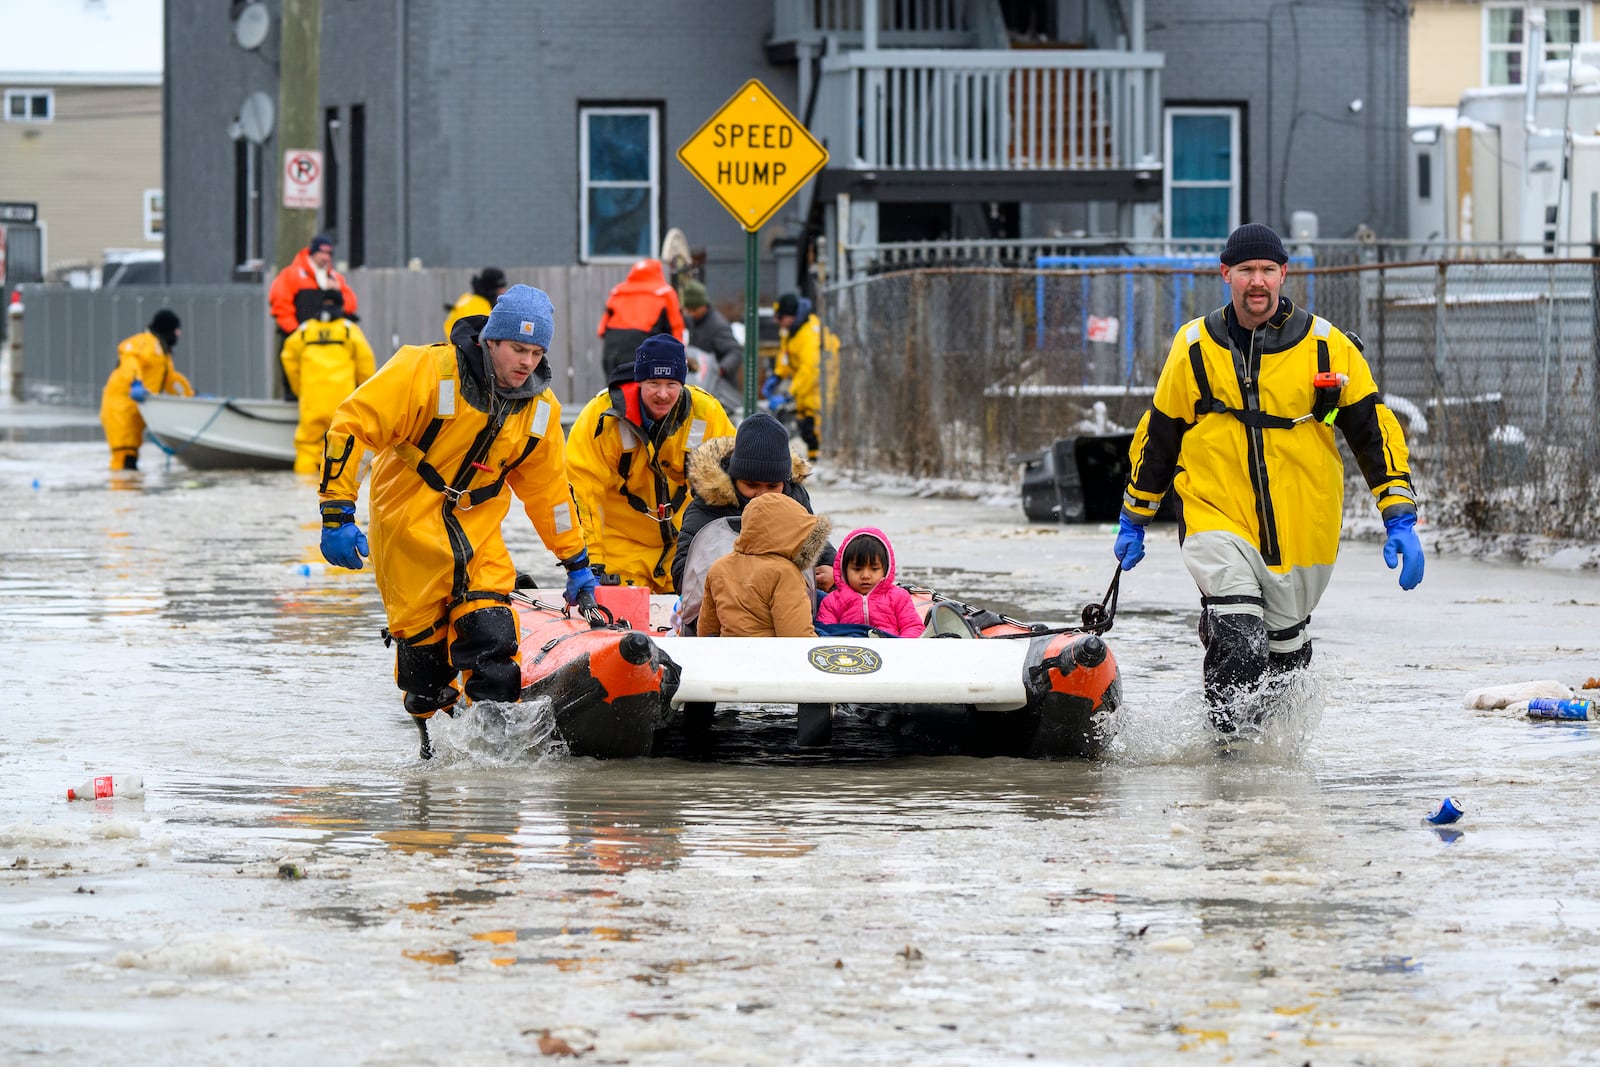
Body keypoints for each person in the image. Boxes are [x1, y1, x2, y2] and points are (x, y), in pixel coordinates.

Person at [1114, 223, 1424, 734]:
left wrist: (1400, 517)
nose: (1255, 282)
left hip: (1303, 526)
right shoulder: (1193, 347)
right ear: (1225, 275)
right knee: (1239, 637)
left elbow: (1375, 434)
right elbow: (1161, 434)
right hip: (1215, 512)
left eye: (1265, 270)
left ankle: (1269, 765)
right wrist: (1134, 514)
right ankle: (1228, 755)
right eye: (1244, 271)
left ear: (1283, 273)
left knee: (1284, 669)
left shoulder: (1328, 346)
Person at [317, 284, 600, 758]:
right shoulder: (423, 370)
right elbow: (351, 424)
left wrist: (575, 561)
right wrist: (335, 511)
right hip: (406, 526)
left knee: (493, 640)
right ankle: (432, 756)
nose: (527, 362)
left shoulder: (540, 412)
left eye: (537, 352)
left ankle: (494, 767)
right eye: (517, 348)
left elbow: (550, 494)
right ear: (490, 340)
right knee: (424, 674)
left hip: (477, 532)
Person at [565, 333, 736, 592]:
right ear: (638, 381)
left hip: (685, 549)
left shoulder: (707, 413)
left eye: (672, 384)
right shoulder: (601, 419)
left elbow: (734, 486)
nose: (663, 394)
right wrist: (592, 563)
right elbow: (584, 492)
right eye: (653, 383)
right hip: (621, 547)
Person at [671, 411, 837, 634]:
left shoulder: (794, 497)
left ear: (784, 481)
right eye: (751, 485)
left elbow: (816, 545)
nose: (762, 495)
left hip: (788, 608)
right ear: (734, 477)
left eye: (772, 486)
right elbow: (683, 573)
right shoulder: (707, 505)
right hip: (729, 617)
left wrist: (833, 570)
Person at [697, 492, 832, 638]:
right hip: (768, 656)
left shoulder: (719, 567)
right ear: (791, 534)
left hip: (731, 654)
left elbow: (707, 630)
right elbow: (796, 637)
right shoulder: (784, 573)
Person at [280, 289, 376, 474]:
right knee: (343, 446)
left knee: (307, 445)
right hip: (342, 402)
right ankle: (337, 490)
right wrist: (365, 394)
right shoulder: (349, 330)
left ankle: (302, 489)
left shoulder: (304, 331)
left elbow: (288, 359)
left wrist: (299, 389)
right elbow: (366, 365)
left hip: (312, 401)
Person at [99, 309, 194, 470]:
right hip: (121, 408)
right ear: (169, 329)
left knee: (131, 456)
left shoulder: (163, 354)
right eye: (177, 330)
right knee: (124, 455)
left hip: (136, 409)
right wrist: (135, 382)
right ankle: (121, 492)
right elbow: (130, 361)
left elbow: (170, 380)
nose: (178, 335)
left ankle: (130, 491)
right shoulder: (144, 342)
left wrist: (190, 395)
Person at [816, 528, 925, 638]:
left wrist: (899, 647)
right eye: (857, 569)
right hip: (849, 652)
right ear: (844, 570)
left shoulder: (899, 597)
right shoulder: (832, 601)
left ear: (886, 569)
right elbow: (825, 630)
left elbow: (913, 627)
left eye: (874, 569)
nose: (865, 576)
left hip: (890, 650)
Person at [770, 293, 836, 461]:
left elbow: (810, 369)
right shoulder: (790, 331)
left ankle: (819, 458)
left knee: (813, 421)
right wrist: (778, 374)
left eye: (780, 317)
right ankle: (814, 458)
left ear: (791, 316)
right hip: (805, 381)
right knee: (803, 421)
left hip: (822, 380)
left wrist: (789, 393)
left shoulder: (809, 335)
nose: (777, 321)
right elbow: (785, 355)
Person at [596, 258, 685, 377]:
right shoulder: (665, 293)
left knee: (615, 391)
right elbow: (676, 328)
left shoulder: (618, 292)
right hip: (645, 349)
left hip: (613, 351)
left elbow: (601, 330)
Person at [269, 233, 360, 338]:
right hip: (300, 342)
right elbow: (281, 306)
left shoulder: (334, 277)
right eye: (322, 252)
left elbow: (350, 306)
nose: (326, 257)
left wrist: (336, 292)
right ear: (313, 252)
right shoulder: (292, 275)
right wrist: (296, 333)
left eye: (329, 253)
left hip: (330, 341)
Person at [681, 279, 744, 416]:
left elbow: (735, 352)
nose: (690, 313)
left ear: (703, 305)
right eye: (688, 309)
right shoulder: (692, 321)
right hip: (700, 384)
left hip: (719, 389)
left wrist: (721, 369)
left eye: (693, 309)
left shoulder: (717, 326)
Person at [443, 267, 508, 341]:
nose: (504, 291)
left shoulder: (468, 298)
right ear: (491, 289)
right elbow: (480, 338)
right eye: (500, 288)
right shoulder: (478, 306)